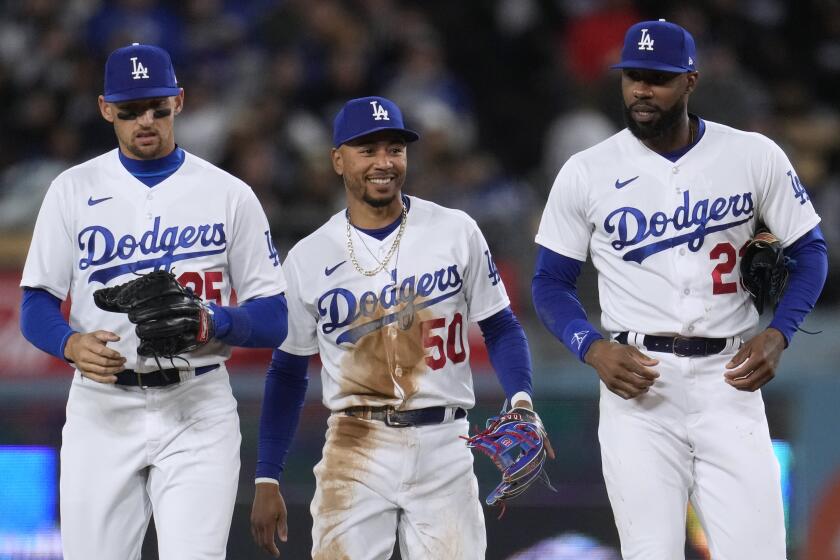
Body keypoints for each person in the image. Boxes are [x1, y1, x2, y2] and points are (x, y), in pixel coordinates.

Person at [532, 19, 828, 560]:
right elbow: (549, 282)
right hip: (639, 386)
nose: (642, 90)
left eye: (658, 78)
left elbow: (811, 252)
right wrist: (592, 347)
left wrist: (780, 333)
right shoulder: (586, 171)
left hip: (730, 381)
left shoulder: (752, 155)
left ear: (690, 81)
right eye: (633, 77)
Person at [19, 43, 289, 559]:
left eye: (157, 109)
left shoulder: (229, 194)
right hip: (102, 407)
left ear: (179, 102)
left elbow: (276, 317)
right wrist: (70, 342)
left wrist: (217, 322)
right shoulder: (71, 190)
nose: (145, 121)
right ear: (105, 110)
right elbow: (34, 303)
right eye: (129, 111)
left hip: (198, 404)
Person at [250, 96, 540, 559]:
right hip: (355, 445)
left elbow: (502, 326)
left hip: (444, 440)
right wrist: (268, 474)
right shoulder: (308, 256)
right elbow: (286, 371)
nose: (384, 162)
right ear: (338, 159)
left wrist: (521, 399)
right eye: (368, 150)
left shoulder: (454, 230)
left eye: (394, 149)